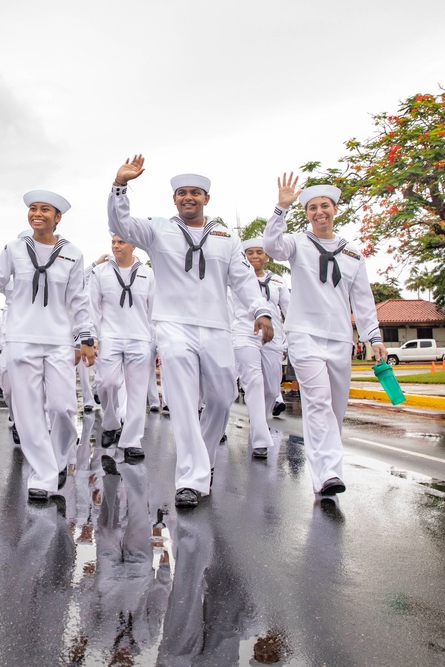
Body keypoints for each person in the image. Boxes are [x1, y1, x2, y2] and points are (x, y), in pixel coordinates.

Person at [108, 156, 273, 508]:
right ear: (174, 199)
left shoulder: (226, 238)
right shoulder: (157, 230)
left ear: (206, 199)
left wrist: (261, 310)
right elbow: (119, 222)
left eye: (195, 193)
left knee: (221, 398)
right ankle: (190, 478)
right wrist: (120, 186)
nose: (188, 198)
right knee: (182, 401)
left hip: (216, 328)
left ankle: (205, 458)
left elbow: (243, 281)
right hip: (173, 326)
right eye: (182, 193)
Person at [0, 190, 95, 502]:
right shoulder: (14, 249)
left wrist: (86, 338)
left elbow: (79, 300)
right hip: (21, 340)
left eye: (44, 210)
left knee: (63, 408)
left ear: (57, 217)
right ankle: (43, 475)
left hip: (59, 341)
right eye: (33, 209)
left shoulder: (72, 254)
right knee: (29, 411)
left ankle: (59, 459)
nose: (37, 214)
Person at [264, 174, 387, 497]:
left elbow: (363, 301)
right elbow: (271, 247)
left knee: (335, 408)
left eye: (325, 206)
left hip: (339, 338)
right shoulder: (297, 244)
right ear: (306, 213)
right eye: (313, 207)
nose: (319, 212)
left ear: (335, 211)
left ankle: (328, 471)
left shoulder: (352, 255)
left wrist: (374, 338)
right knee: (317, 403)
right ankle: (327, 475)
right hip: (304, 335)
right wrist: (281, 207)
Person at [89, 234, 155, 462]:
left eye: (121, 242)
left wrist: (156, 343)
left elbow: (153, 311)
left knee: (137, 392)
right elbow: (93, 307)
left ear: (133, 245)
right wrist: (92, 337)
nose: (116, 246)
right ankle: (110, 422)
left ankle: (132, 440)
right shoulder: (100, 272)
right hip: (109, 337)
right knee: (107, 382)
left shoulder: (148, 273)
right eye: (113, 242)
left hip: (140, 337)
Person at [232, 237, 290, 458]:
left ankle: (260, 424)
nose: (255, 256)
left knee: (272, 389)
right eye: (250, 253)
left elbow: (289, 310)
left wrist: (288, 340)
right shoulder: (235, 279)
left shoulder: (277, 282)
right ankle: (259, 438)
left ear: (267, 256)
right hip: (244, 333)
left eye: (259, 252)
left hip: (273, 336)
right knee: (253, 382)